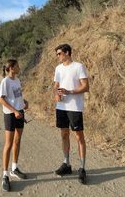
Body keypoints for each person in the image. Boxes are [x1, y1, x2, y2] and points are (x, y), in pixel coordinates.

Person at [53, 44, 89, 184]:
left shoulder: (78, 66)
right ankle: (66, 164)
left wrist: (70, 92)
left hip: (75, 107)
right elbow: (56, 85)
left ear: (67, 53)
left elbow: (86, 86)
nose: (58, 56)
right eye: (57, 54)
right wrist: (57, 94)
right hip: (61, 106)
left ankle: (82, 168)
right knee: (64, 135)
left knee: (79, 136)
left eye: (59, 53)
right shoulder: (58, 68)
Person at [0, 59, 28, 191]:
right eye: (17, 66)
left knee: (17, 141)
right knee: (8, 144)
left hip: (19, 112)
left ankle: (14, 168)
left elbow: (17, 95)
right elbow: (1, 99)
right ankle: (5, 175)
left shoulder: (17, 80)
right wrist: (15, 111)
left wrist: (24, 102)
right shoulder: (5, 81)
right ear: (11, 68)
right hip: (10, 114)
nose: (19, 67)